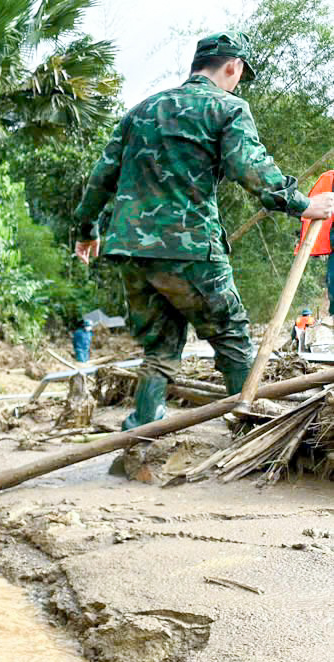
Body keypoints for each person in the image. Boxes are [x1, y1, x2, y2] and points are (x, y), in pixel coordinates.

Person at [73, 32, 334, 428]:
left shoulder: (143, 109)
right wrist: (303, 204)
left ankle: (144, 426)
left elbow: (102, 175)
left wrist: (86, 229)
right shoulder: (227, 107)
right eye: (239, 75)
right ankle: (252, 429)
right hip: (189, 247)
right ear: (234, 66)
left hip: (129, 249)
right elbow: (252, 170)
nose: (237, 82)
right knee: (231, 338)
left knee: (158, 349)